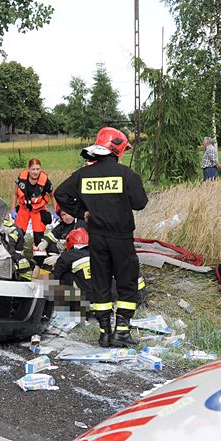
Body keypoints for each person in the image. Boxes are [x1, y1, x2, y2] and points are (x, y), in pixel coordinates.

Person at [54, 127, 148, 348]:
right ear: (117, 150)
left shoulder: (83, 174)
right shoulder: (126, 174)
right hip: (121, 238)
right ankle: (121, 332)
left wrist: (81, 212)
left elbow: (60, 194)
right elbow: (140, 203)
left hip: (96, 238)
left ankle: (104, 333)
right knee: (126, 282)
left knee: (101, 283)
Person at [51, 227, 95, 309]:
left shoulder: (67, 256)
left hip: (85, 299)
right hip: (106, 299)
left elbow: (55, 277)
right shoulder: (98, 254)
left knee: (62, 277)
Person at [14, 158, 53, 246]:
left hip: (38, 210)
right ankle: (18, 251)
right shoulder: (21, 178)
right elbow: (15, 194)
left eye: (38, 169)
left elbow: (53, 195)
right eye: (33, 169)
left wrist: (56, 210)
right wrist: (12, 209)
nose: (35, 172)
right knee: (18, 233)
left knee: (39, 236)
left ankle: (38, 252)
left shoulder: (45, 180)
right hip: (24, 208)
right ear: (28, 169)